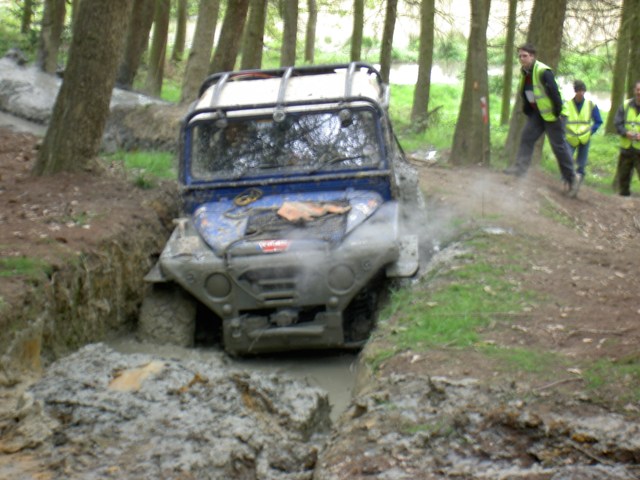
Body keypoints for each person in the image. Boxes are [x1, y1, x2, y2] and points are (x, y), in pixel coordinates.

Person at [504, 43, 580, 197]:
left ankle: (572, 178)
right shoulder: (525, 72)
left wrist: (558, 111)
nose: (522, 59)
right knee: (527, 137)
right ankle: (520, 169)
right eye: (520, 56)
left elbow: (555, 92)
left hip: (555, 115)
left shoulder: (543, 71)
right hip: (538, 114)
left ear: (532, 56)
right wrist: (528, 109)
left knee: (558, 147)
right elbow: (528, 92)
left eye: (525, 56)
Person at [563, 80, 603, 185]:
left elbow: (598, 121)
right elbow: (561, 120)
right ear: (575, 91)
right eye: (579, 91)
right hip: (570, 138)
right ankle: (566, 180)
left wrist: (591, 131)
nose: (581, 93)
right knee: (566, 160)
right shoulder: (567, 104)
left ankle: (578, 183)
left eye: (583, 91)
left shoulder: (590, 105)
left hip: (585, 138)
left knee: (581, 163)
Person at [613, 79, 640, 197]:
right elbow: (617, 122)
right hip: (626, 148)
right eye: (638, 89)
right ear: (634, 90)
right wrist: (625, 133)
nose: (639, 92)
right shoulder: (625, 105)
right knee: (623, 177)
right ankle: (623, 199)